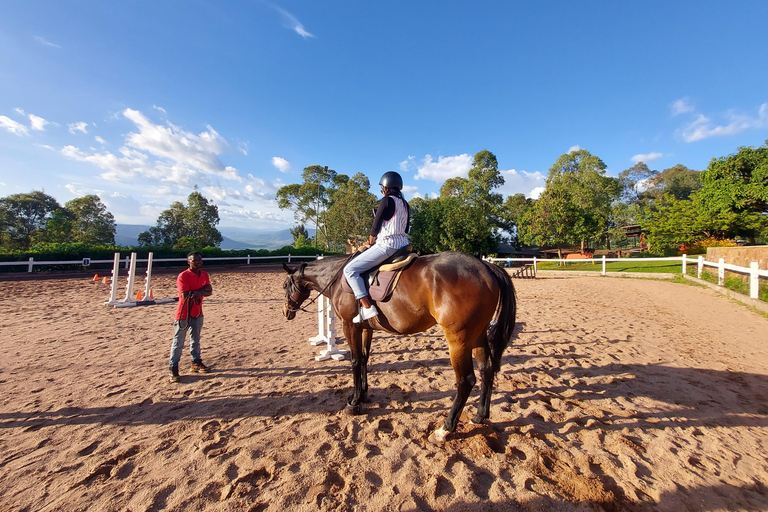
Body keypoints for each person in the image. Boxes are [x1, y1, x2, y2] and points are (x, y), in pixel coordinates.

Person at [343, 171, 410, 323]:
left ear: (386, 187)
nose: (382, 189)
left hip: (386, 245)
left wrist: (370, 242)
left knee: (350, 270)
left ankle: (367, 307)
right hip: (404, 246)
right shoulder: (406, 204)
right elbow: (405, 229)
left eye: (382, 187)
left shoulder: (386, 201)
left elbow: (375, 226)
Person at [168, 251, 213, 383]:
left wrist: (199, 292)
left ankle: (196, 362)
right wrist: (201, 291)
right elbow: (185, 295)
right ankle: (173, 367)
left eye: (200, 260)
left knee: (196, 339)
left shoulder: (204, 274)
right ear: (189, 262)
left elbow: (209, 290)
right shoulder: (183, 276)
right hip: (184, 314)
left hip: (198, 312)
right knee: (179, 342)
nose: (198, 262)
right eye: (195, 260)